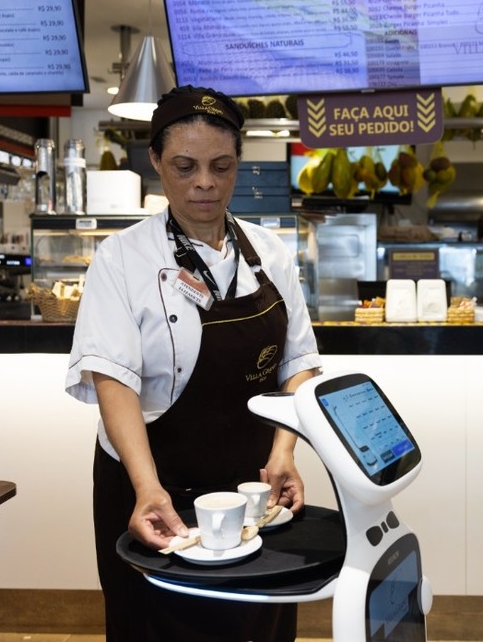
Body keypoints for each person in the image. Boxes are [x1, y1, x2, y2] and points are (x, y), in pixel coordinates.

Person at [65, 85, 321, 641]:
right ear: (156, 161)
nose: (204, 182)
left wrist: (283, 454)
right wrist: (145, 487)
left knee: (259, 624)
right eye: (184, 166)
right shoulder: (122, 258)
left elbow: (298, 362)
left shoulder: (270, 252)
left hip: (252, 487)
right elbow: (113, 380)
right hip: (154, 489)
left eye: (220, 166)